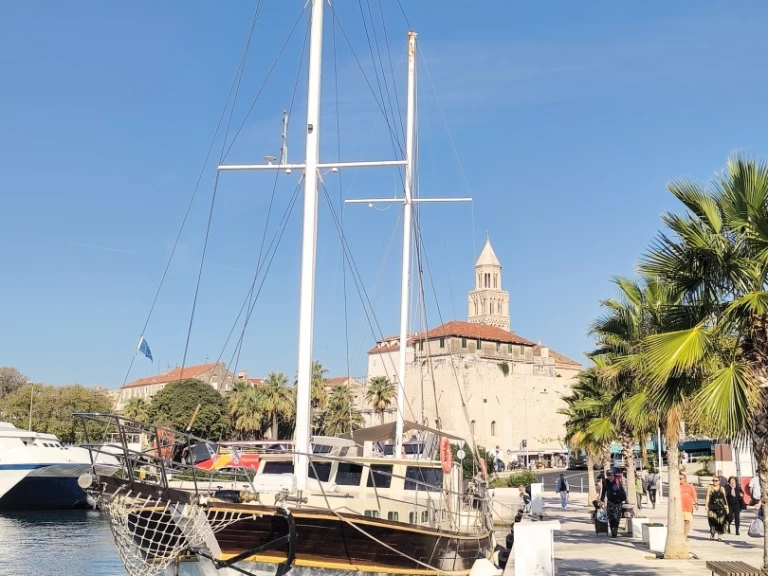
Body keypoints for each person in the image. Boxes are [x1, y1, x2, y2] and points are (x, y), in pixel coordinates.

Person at [600, 470, 627, 538]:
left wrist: (625, 499)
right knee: (611, 517)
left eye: (611, 476)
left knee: (617, 517)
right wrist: (601, 500)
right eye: (609, 476)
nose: (610, 478)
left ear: (613, 475)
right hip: (610, 502)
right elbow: (603, 491)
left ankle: (615, 531)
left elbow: (622, 491)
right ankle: (613, 531)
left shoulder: (617, 481)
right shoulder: (605, 482)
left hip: (618, 502)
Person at [705, 476, 729, 541]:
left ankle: (719, 536)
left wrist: (727, 507)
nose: (714, 482)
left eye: (716, 481)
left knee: (720, 522)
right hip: (712, 506)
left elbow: (725, 498)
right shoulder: (710, 487)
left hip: (720, 507)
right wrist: (706, 505)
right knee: (712, 521)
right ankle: (712, 533)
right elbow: (707, 496)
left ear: (719, 481)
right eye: (713, 480)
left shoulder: (722, 488)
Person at [679, 473, 698, 538]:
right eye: (678, 479)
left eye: (680, 479)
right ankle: (680, 535)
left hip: (688, 507)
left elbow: (694, 495)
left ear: (685, 479)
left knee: (687, 522)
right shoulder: (676, 486)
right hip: (679, 508)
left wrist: (696, 503)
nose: (679, 480)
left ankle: (685, 535)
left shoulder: (690, 486)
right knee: (680, 523)